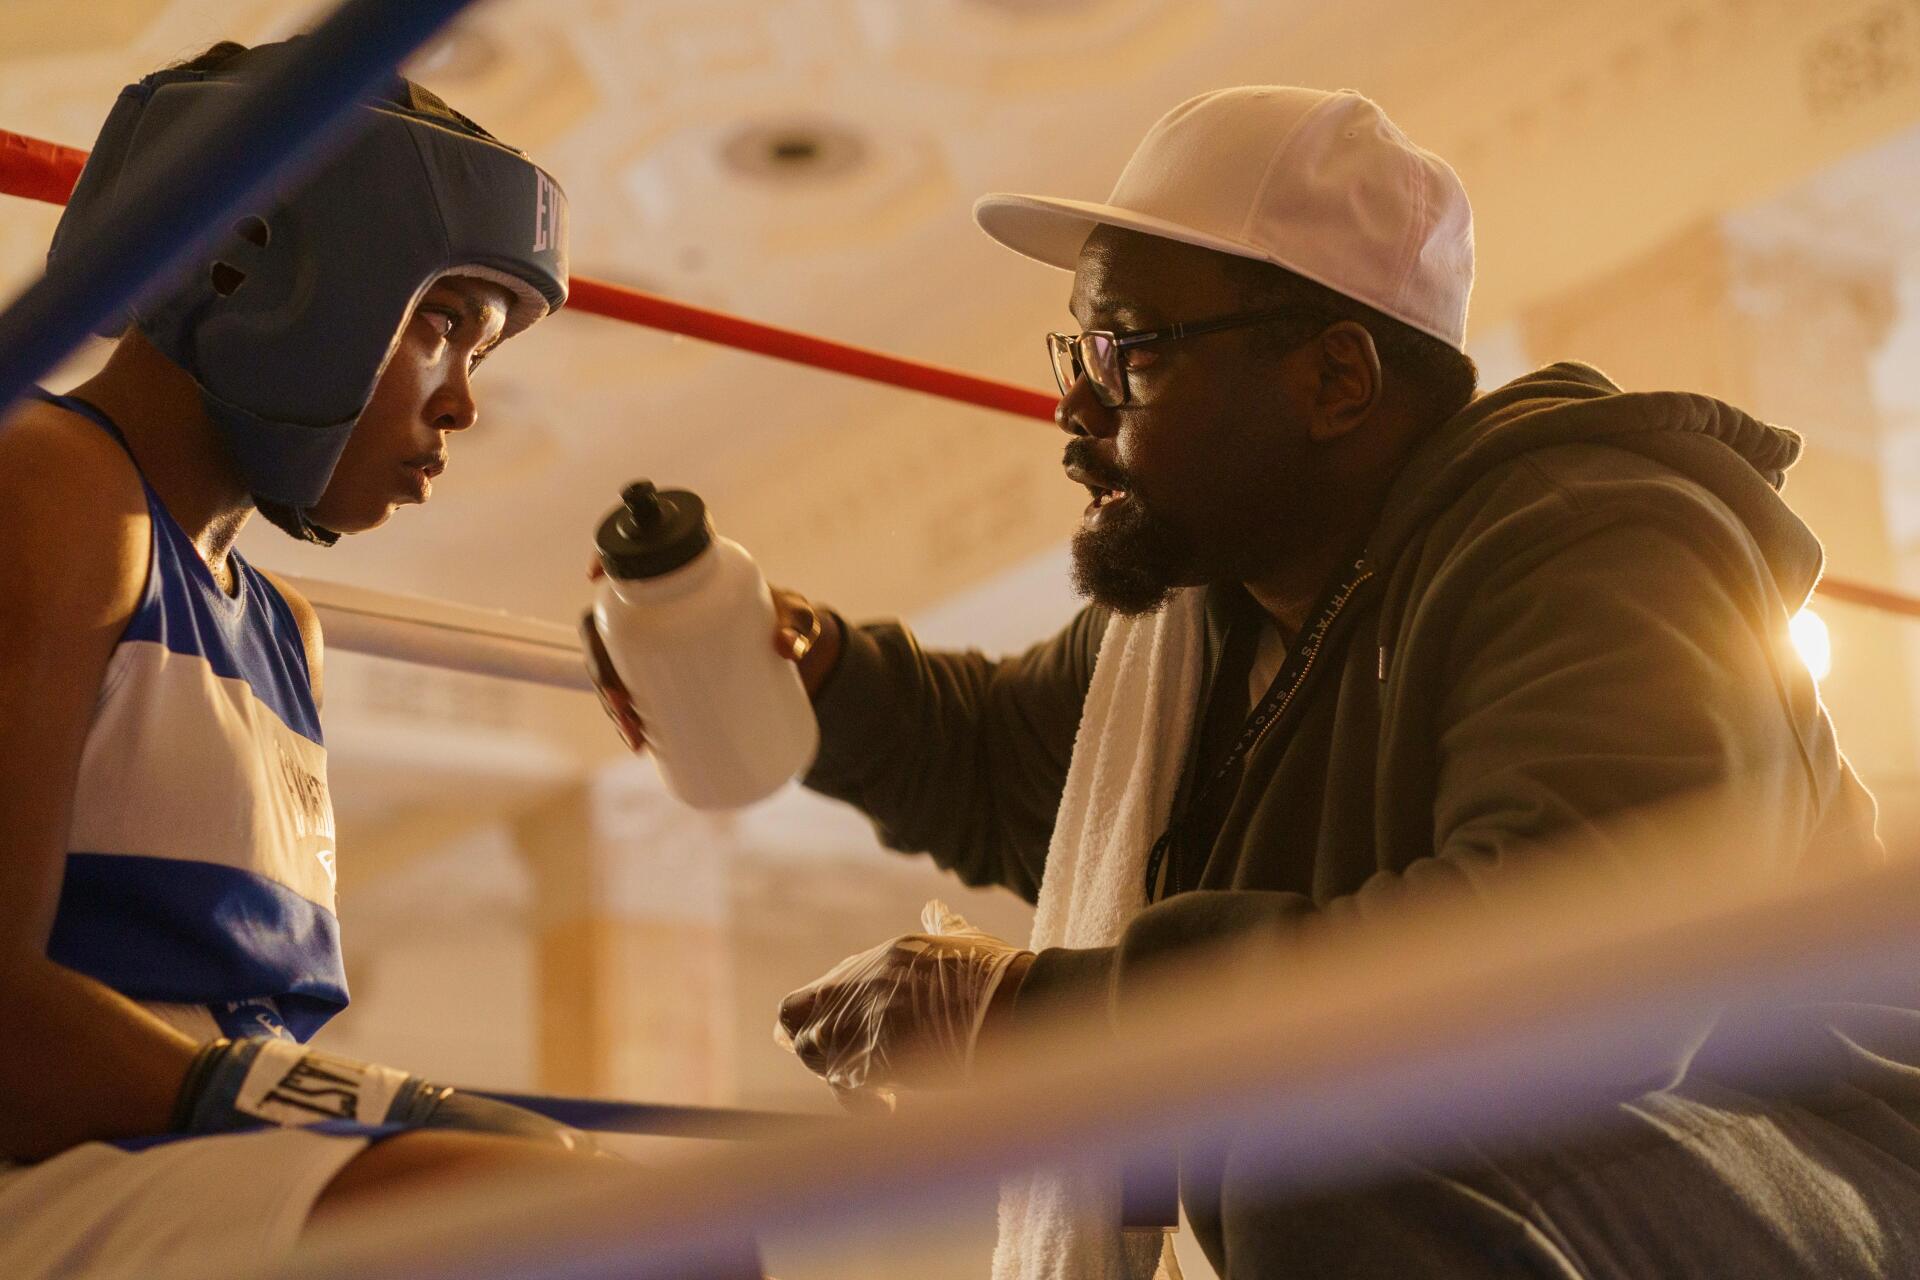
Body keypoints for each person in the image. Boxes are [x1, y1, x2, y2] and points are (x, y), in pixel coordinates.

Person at [594, 86, 1920, 1277]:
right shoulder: (1204, 631)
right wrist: (785, 655)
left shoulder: (1594, 541)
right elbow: (996, 765)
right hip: (1570, 1184)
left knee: (1313, 1139)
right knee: (1302, 1131)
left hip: (1820, 1166)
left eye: (1132, 352)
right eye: (1079, 353)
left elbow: (1570, 969)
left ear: (1336, 378)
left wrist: (1029, 1018)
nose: (1076, 407)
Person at [0, 40, 617, 1279]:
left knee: (663, 1219)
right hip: (52, 1182)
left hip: (202, 1176)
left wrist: (347, 1111)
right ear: (267, 265)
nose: (464, 403)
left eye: (481, 353)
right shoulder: (56, 486)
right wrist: (365, 1111)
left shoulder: (287, 630)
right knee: (597, 1222)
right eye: (444, 323)